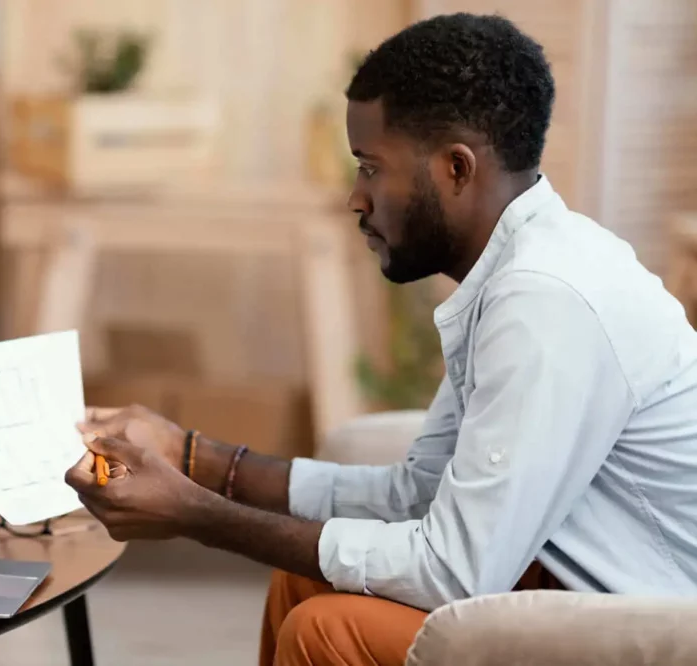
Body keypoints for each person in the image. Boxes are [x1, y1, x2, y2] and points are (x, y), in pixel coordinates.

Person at [64, 12, 697, 666]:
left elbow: (453, 571)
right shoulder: (514, 273)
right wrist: (195, 456)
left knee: (327, 631)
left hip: (662, 624)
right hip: (583, 589)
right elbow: (414, 499)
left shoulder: (544, 300)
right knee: (304, 579)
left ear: (456, 168)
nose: (355, 198)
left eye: (371, 168)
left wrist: (196, 514)